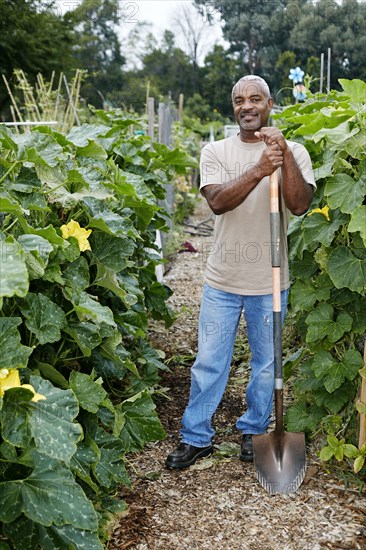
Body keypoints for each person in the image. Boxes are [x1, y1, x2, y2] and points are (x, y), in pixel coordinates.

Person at [165, 75, 316, 469]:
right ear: (233, 107)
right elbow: (216, 201)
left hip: (270, 282)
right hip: (223, 281)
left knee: (267, 366)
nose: (246, 106)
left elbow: (299, 205)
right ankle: (196, 436)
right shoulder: (214, 150)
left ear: (269, 104)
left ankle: (254, 431)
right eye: (238, 100)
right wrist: (258, 169)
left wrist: (281, 156)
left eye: (254, 99)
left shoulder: (293, 151)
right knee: (210, 363)